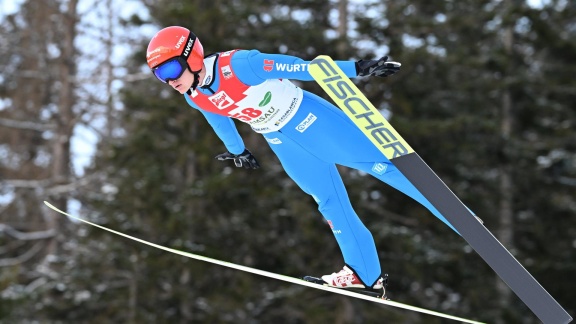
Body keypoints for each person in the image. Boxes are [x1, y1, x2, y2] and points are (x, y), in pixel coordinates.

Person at [146, 26, 455, 296]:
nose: (168, 81)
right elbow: (218, 118)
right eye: (160, 75)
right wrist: (238, 150)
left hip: (310, 118)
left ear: (192, 57)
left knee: (383, 166)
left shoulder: (240, 64)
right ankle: (365, 275)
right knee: (328, 200)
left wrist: (356, 68)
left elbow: (302, 68)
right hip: (281, 141)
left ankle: (457, 216)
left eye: (170, 70)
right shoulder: (194, 94)